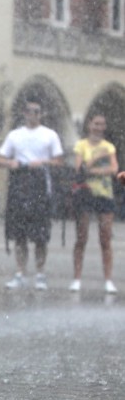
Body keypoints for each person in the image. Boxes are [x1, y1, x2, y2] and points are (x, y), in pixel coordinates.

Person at [0, 99, 64, 291]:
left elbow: (59, 161)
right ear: (24, 113)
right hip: (19, 183)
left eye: (36, 111)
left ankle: (40, 274)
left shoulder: (49, 135)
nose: (32, 114)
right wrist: (11, 163)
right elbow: (0, 159)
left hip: (39, 185)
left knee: (41, 235)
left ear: (41, 114)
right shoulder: (14, 135)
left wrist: (43, 162)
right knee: (20, 234)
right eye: (29, 111)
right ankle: (20, 273)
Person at [69, 113, 119, 294]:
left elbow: (113, 169)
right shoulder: (81, 145)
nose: (99, 127)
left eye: (102, 124)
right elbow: (79, 169)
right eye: (96, 123)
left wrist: (91, 169)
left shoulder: (109, 147)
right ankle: (76, 278)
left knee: (105, 239)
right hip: (85, 194)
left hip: (104, 195)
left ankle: (107, 279)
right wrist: (98, 160)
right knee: (81, 238)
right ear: (89, 125)